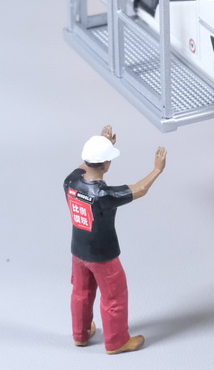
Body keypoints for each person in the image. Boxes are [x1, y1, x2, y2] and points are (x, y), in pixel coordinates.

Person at [65, 125, 167, 354]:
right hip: (103, 256)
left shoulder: (70, 182)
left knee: (81, 292)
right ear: (107, 164)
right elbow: (140, 189)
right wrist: (157, 169)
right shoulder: (104, 195)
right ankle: (117, 341)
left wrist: (103, 145)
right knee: (114, 296)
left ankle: (80, 334)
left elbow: (85, 164)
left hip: (78, 252)